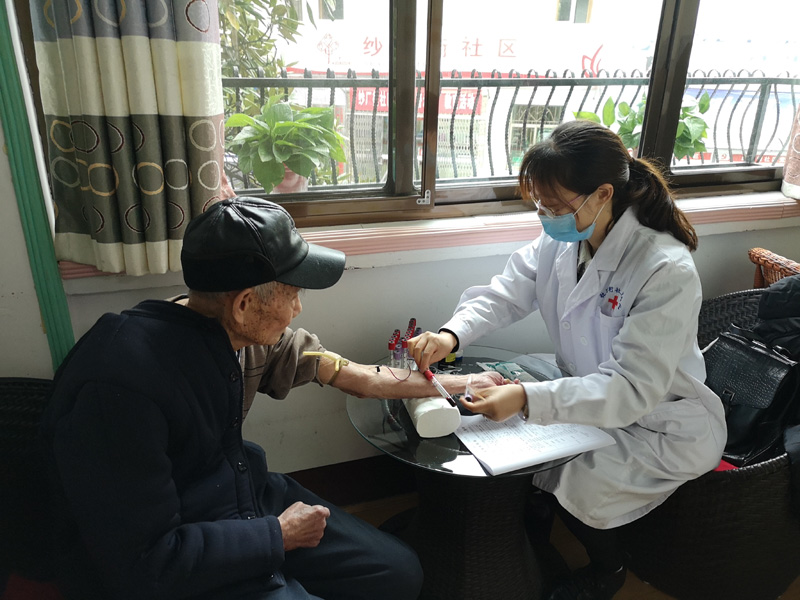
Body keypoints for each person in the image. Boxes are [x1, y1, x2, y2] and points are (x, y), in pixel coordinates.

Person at [40, 196, 501, 600]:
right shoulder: (120, 389)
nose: (299, 308)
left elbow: (361, 378)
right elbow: (145, 564)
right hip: (180, 551)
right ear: (244, 304)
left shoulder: (244, 335)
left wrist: (462, 383)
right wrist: (276, 536)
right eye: (293, 294)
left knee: (397, 573)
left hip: (242, 493)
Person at [408, 120, 726, 600]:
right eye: (539, 204)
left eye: (555, 206)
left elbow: (630, 388)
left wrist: (526, 399)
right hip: (586, 391)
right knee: (512, 443)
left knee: (574, 478)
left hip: (658, 422)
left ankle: (608, 570)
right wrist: (452, 334)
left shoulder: (664, 268)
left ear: (603, 194)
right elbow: (505, 293)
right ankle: (530, 541)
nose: (545, 216)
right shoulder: (566, 238)